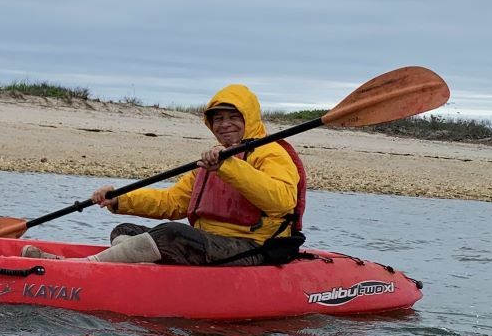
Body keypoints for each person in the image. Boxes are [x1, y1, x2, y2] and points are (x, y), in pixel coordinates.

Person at [23, 83, 305, 265]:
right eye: (218, 119)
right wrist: (120, 200)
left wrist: (229, 166)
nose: (225, 125)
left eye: (233, 117)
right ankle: (117, 267)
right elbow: (172, 202)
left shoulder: (271, 153)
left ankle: (77, 267)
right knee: (126, 231)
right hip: (208, 243)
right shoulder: (214, 160)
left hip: (252, 248)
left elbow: (282, 200)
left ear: (249, 120)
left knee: (171, 235)